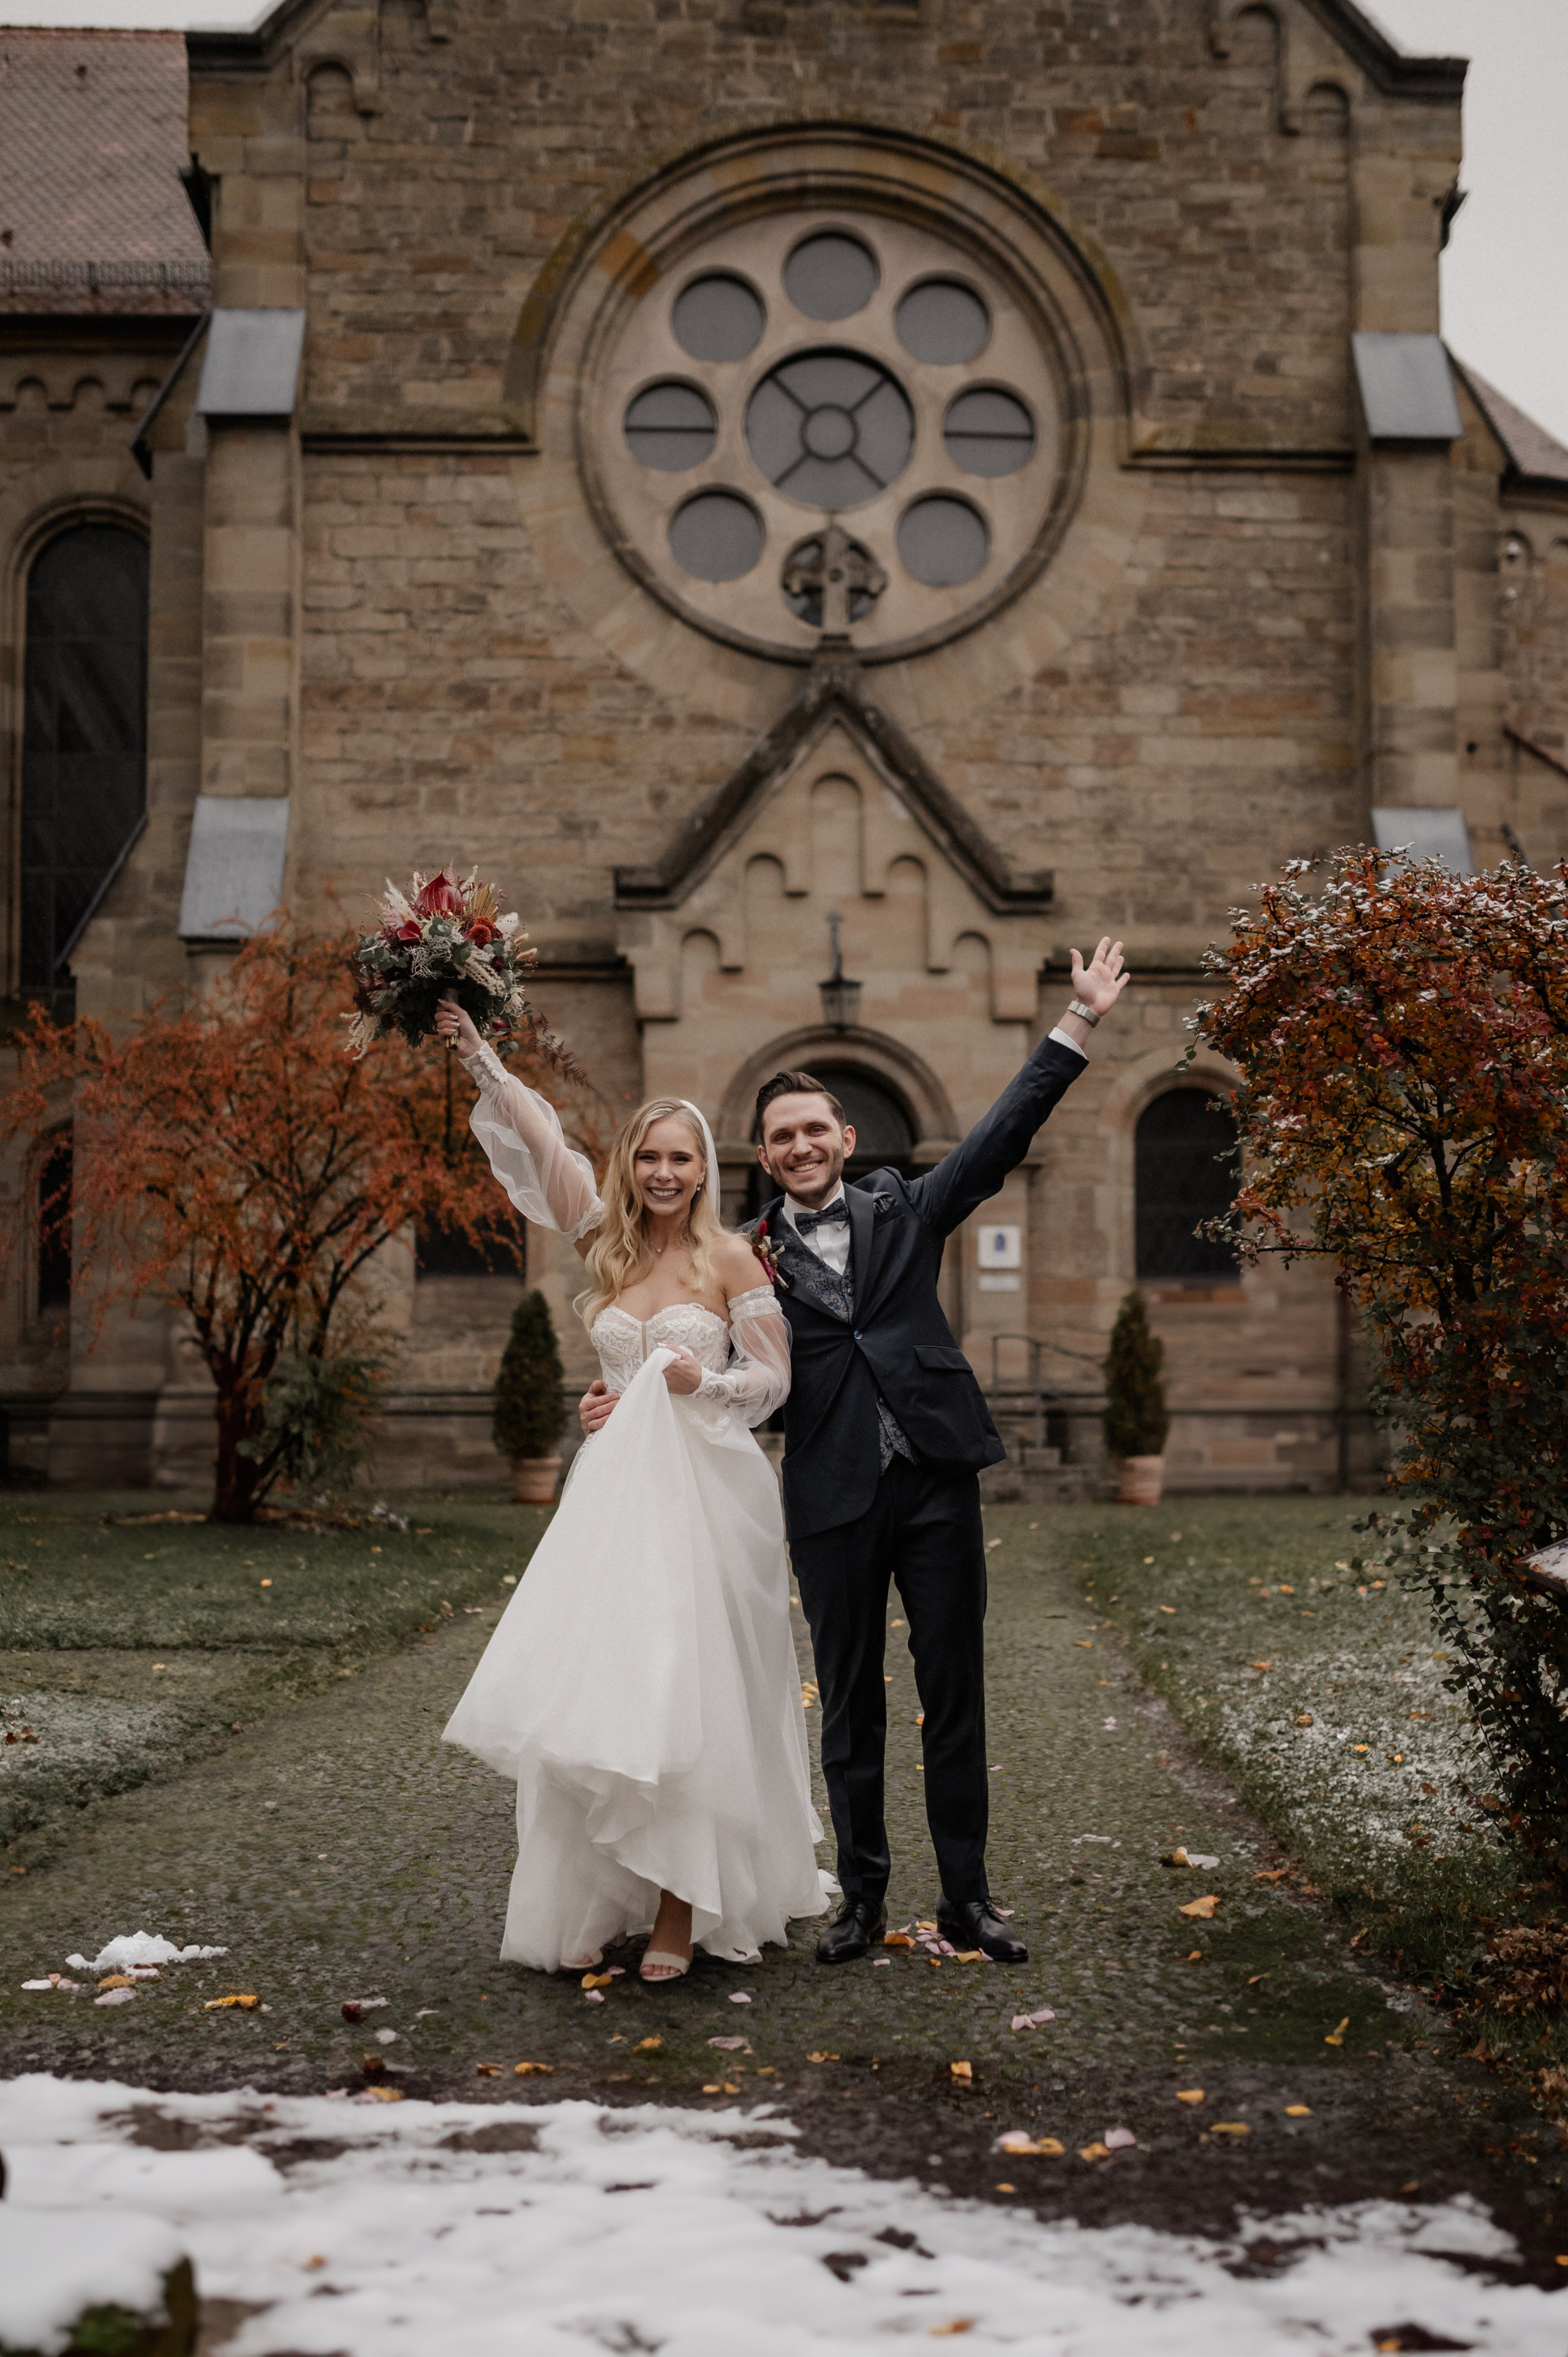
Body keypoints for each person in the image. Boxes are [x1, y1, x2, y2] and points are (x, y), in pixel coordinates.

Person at [581, 938, 1127, 1965]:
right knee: (849, 1703)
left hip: (934, 1479)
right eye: (779, 1137)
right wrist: (619, 1400)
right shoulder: (739, 1255)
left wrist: (1079, 1022)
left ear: (846, 1134)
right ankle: (863, 1901)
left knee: (953, 1690)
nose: (798, 1147)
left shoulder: (907, 1210)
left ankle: (968, 1898)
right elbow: (690, 1357)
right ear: (763, 1155)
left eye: (812, 1130)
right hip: (828, 1495)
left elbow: (1000, 1138)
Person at [434, 995, 825, 1981]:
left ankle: (680, 1911)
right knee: (602, 1690)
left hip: (709, 1494)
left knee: (688, 1691)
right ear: (632, 1166)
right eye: (649, 1157)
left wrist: (710, 1382)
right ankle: (601, 1890)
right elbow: (546, 1144)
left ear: (705, 1170)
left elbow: (777, 1381)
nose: (663, 1174)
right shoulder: (605, 1238)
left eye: (680, 1159)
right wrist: (482, 1056)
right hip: (614, 1496)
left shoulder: (730, 1255)